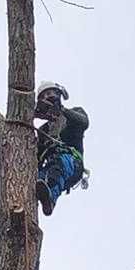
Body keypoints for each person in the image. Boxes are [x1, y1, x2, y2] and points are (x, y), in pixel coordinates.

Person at [34, 82, 89, 217]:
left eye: (51, 93)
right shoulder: (44, 130)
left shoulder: (73, 114)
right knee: (34, 179)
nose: (48, 97)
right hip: (50, 167)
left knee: (58, 165)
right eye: (45, 96)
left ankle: (50, 200)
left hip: (71, 162)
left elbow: (83, 122)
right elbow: (37, 158)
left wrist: (62, 110)